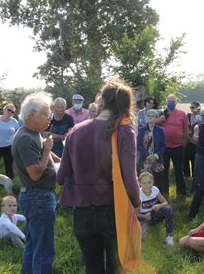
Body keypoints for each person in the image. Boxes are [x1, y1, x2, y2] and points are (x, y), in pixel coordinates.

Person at [57, 79, 140, 274]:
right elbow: (130, 179)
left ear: (101, 100)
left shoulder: (75, 131)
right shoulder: (125, 131)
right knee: (116, 269)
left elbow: (60, 177)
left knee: (92, 268)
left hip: (82, 212)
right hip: (114, 210)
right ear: (126, 104)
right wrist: (136, 204)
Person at [12, 92, 59, 274]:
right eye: (46, 114)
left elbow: (47, 159)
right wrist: (47, 149)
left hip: (39, 196)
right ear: (31, 115)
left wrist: (60, 159)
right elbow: (35, 174)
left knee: (33, 245)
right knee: (44, 249)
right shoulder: (25, 138)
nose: (50, 118)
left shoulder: (34, 134)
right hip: (37, 196)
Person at [158, 94, 188, 197]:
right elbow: (154, 125)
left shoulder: (182, 114)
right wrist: (160, 119)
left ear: (176, 103)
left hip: (178, 146)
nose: (171, 103)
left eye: (173, 101)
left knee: (179, 170)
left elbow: (185, 129)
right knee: (164, 170)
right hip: (164, 147)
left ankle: (181, 192)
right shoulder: (161, 113)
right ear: (166, 103)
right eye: (169, 101)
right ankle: (164, 192)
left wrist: (184, 142)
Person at [136, 171, 174, 245]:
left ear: (153, 182)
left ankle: (169, 236)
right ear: (140, 184)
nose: (147, 185)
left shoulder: (155, 190)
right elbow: (136, 213)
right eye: (144, 183)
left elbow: (166, 203)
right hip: (144, 217)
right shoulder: (138, 194)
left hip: (154, 214)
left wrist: (159, 205)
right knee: (144, 238)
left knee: (168, 209)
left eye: (149, 182)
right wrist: (144, 216)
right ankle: (143, 229)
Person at [137, 109, 166, 178]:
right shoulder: (142, 130)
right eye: (148, 115)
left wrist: (155, 156)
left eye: (152, 116)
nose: (150, 117)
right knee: (145, 180)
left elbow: (163, 146)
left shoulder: (160, 130)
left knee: (158, 181)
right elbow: (139, 145)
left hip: (157, 160)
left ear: (156, 118)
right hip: (144, 160)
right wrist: (147, 155)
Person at [191, 106, 204, 193]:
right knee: (198, 174)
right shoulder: (198, 126)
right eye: (202, 115)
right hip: (201, 154)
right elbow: (195, 138)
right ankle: (196, 193)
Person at [184, 101, 201, 178]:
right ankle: (186, 175)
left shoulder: (200, 116)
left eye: (193, 107)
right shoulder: (188, 116)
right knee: (185, 158)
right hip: (188, 140)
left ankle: (195, 175)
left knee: (195, 159)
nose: (191, 109)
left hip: (196, 141)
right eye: (190, 107)